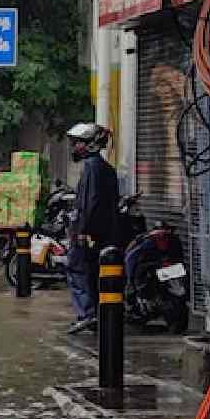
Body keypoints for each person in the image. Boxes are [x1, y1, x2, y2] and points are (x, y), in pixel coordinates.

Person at [65, 122, 119, 334]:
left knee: (77, 268)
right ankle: (95, 314)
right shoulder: (106, 169)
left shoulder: (91, 168)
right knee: (92, 273)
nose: (74, 147)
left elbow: (90, 203)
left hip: (91, 234)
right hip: (105, 234)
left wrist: (81, 231)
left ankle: (87, 314)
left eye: (78, 143)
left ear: (90, 145)